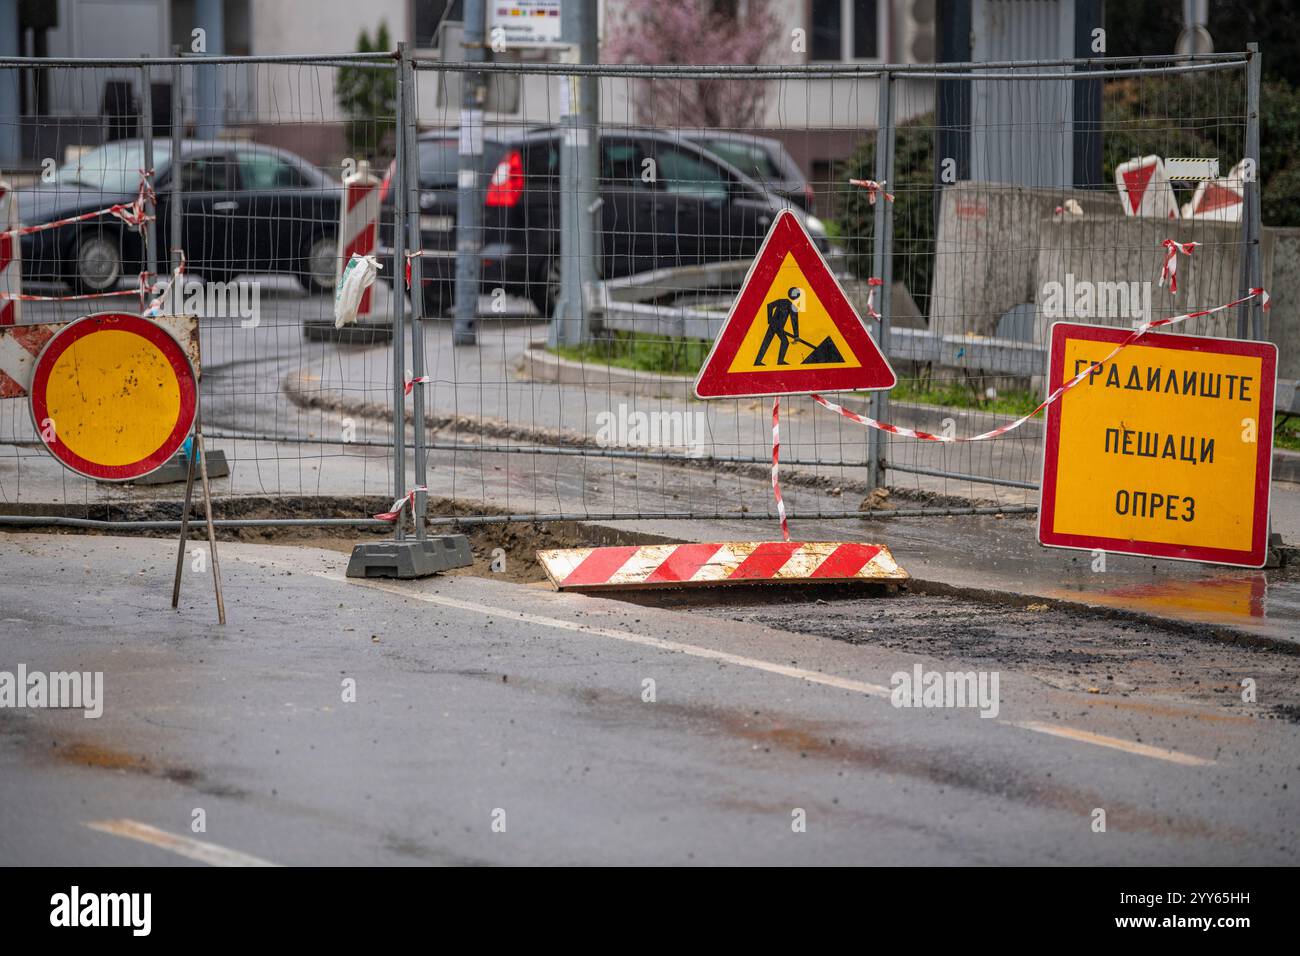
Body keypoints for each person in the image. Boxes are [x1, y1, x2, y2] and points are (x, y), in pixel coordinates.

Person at [754, 287, 801, 366]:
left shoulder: (791, 305)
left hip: (777, 326)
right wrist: (770, 320)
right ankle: (780, 361)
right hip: (776, 326)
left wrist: (796, 336)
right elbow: (769, 306)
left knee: (767, 342)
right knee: (784, 342)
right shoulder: (785, 302)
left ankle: (757, 361)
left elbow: (794, 321)